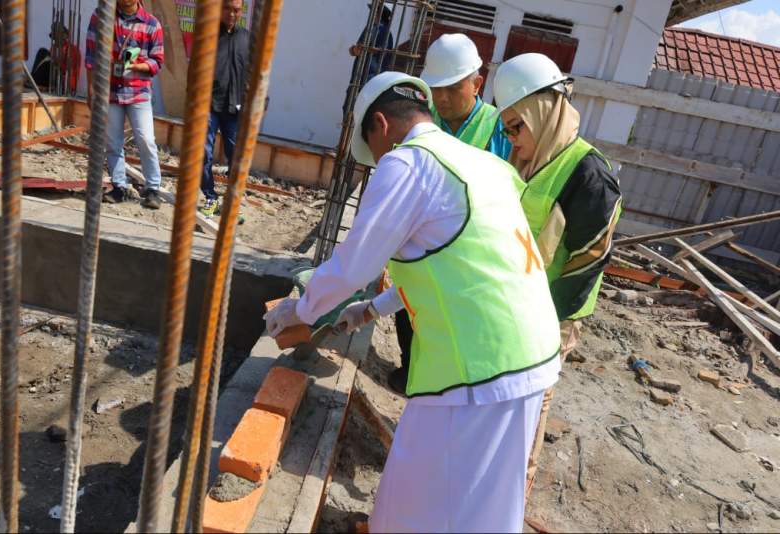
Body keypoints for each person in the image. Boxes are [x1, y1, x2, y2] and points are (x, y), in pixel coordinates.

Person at [264, 71, 562, 532]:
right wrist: (371, 309)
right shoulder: (478, 163)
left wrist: (299, 310)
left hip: (481, 366)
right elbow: (460, 266)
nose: (376, 161)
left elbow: (352, 264)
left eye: (373, 149)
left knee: (415, 492)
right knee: (485, 500)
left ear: (380, 125)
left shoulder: (408, 163)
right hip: (527, 351)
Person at [493, 53, 622, 500]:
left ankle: (509, 503)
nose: (510, 139)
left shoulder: (589, 175)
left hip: (550, 320)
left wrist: (542, 326)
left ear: (543, 112)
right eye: (505, 129)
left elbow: (587, 262)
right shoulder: (532, 159)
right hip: (512, 310)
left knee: (529, 412)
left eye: (516, 127)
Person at [386, 32, 513, 395]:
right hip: (423, 241)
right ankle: (410, 370)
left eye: (452, 88)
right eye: (435, 88)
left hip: (470, 249)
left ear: (477, 83)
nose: (441, 98)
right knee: (410, 308)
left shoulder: (497, 129)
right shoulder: (426, 123)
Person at [86, 0, 165, 209]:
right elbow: (91, 55)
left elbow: (158, 61)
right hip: (110, 91)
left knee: (146, 140)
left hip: (138, 92)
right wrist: (91, 90)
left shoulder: (151, 24)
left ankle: (153, 188)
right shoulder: (102, 17)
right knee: (113, 142)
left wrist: (141, 65)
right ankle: (119, 186)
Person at [198, 0, 250, 216]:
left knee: (236, 157)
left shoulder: (246, 39)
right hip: (208, 106)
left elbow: (255, 73)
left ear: (241, 11)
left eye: (236, 9)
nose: (231, 13)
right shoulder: (208, 35)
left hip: (235, 109)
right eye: (227, 8)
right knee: (203, 153)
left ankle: (233, 202)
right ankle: (210, 198)